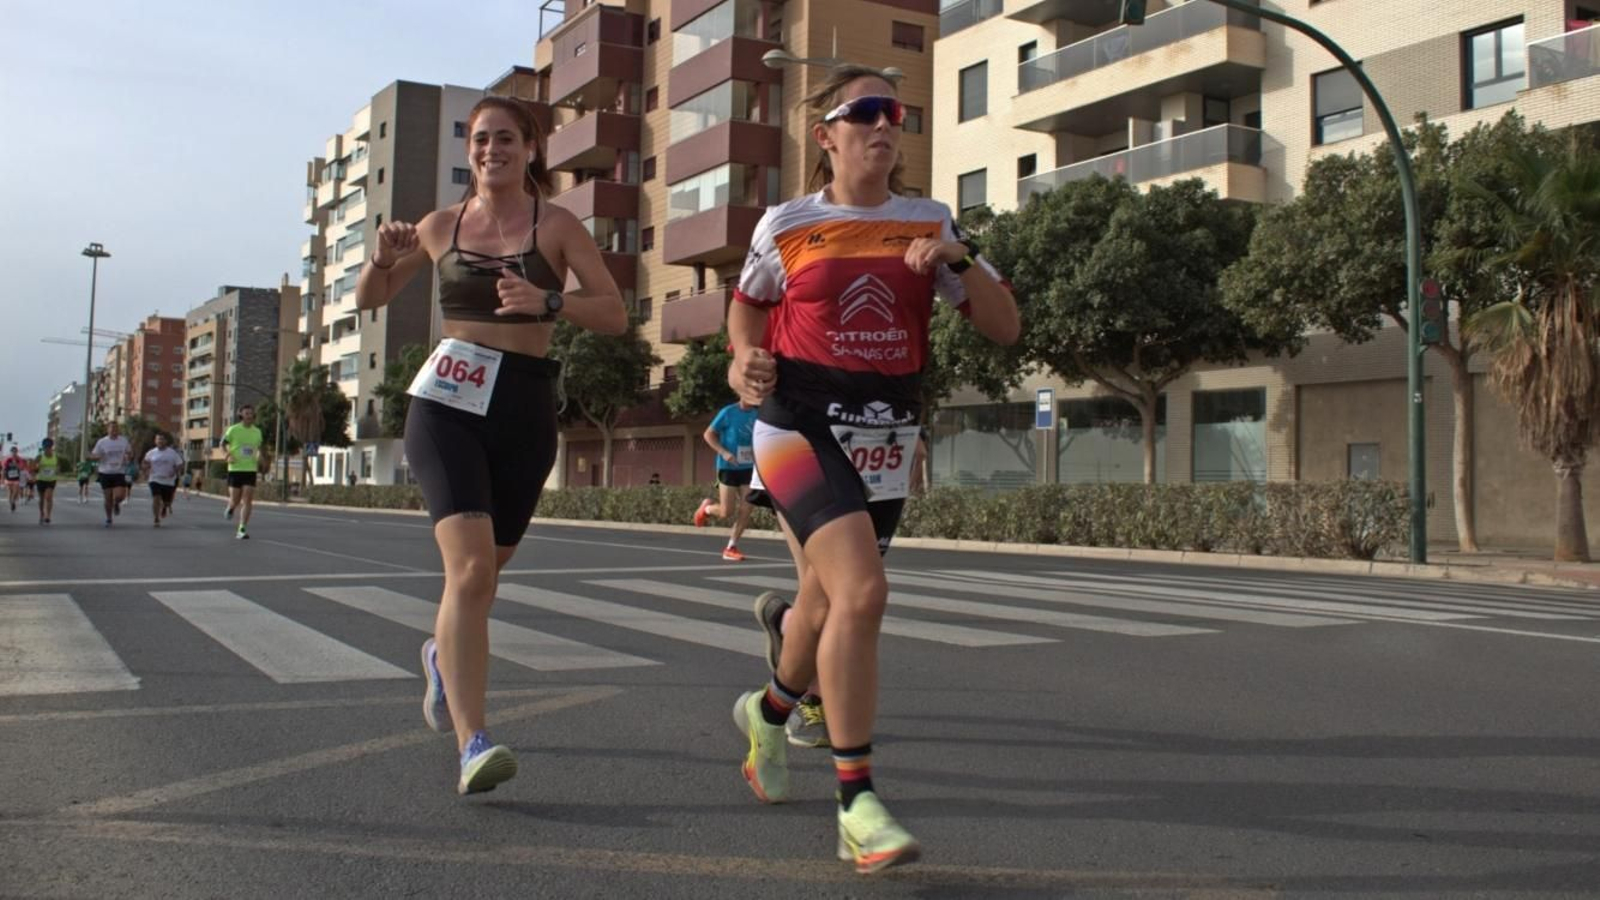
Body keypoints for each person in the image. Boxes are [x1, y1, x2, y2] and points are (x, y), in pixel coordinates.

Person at [726, 65, 1019, 874]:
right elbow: (748, 308)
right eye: (866, 112)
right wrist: (742, 359)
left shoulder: (929, 220)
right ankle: (857, 802)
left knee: (823, 606)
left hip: (887, 433)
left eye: (895, 112)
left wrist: (964, 256)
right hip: (797, 423)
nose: (885, 124)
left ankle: (768, 713)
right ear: (827, 135)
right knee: (862, 592)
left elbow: (1004, 327)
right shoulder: (788, 223)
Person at [355, 95, 626, 795]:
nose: (491, 150)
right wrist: (380, 260)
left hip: (524, 407)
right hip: (446, 404)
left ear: (530, 149)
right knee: (471, 572)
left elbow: (614, 314)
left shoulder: (557, 226)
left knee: (488, 570)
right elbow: (370, 298)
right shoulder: (439, 226)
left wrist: (550, 302)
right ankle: (473, 742)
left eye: (505, 138)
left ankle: (441, 655)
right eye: (480, 139)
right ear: (469, 149)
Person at [693, 400, 759, 561]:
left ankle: (731, 547)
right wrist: (724, 453)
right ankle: (707, 509)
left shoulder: (758, 414)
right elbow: (708, 434)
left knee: (747, 508)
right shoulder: (728, 412)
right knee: (726, 512)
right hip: (728, 467)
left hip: (748, 467)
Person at [222, 406, 264, 539]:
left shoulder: (257, 431)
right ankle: (231, 507)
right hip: (235, 469)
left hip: (250, 469)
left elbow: (259, 448)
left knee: (247, 500)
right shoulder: (233, 429)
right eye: (247, 413)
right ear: (241, 415)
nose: (249, 415)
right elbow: (222, 444)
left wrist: (260, 456)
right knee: (235, 500)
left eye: (251, 413)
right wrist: (227, 456)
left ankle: (241, 529)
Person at [89, 422, 134, 527]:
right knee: (108, 497)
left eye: (116, 428)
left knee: (120, 496)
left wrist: (128, 456)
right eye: (112, 428)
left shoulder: (123, 440)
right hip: (105, 472)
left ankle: (116, 503)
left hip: (119, 472)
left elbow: (130, 452)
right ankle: (109, 518)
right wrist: (98, 456)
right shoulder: (102, 442)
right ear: (107, 429)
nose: (114, 430)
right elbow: (93, 455)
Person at [142, 433, 184, 527]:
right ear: (155, 441)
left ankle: (165, 507)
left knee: (167, 502)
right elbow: (144, 463)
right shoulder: (151, 452)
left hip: (168, 481)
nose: (160, 441)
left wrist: (174, 471)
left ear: (166, 441)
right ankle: (156, 518)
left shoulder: (172, 453)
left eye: (162, 439)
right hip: (154, 479)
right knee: (156, 498)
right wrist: (145, 470)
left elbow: (180, 464)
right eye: (158, 439)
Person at [33, 439, 60, 525]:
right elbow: (33, 468)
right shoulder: (39, 457)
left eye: (49, 448)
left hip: (51, 480)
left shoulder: (55, 457)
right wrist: (37, 467)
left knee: (49, 497)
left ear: (51, 448)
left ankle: (48, 516)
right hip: (41, 479)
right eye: (45, 448)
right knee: (41, 499)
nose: (47, 449)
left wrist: (57, 470)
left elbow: (58, 467)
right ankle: (42, 514)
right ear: (43, 448)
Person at [3, 446, 23, 512]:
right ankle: (11, 504)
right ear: (11, 452)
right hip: (8, 478)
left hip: (16, 478)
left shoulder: (19, 459)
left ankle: (13, 502)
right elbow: (4, 468)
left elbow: (21, 467)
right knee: (10, 492)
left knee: (15, 492)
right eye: (13, 452)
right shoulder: (8, 459)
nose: (14, 453)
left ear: (17, 452)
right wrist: (3, 478)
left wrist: (16, 464)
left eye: (15, 451)